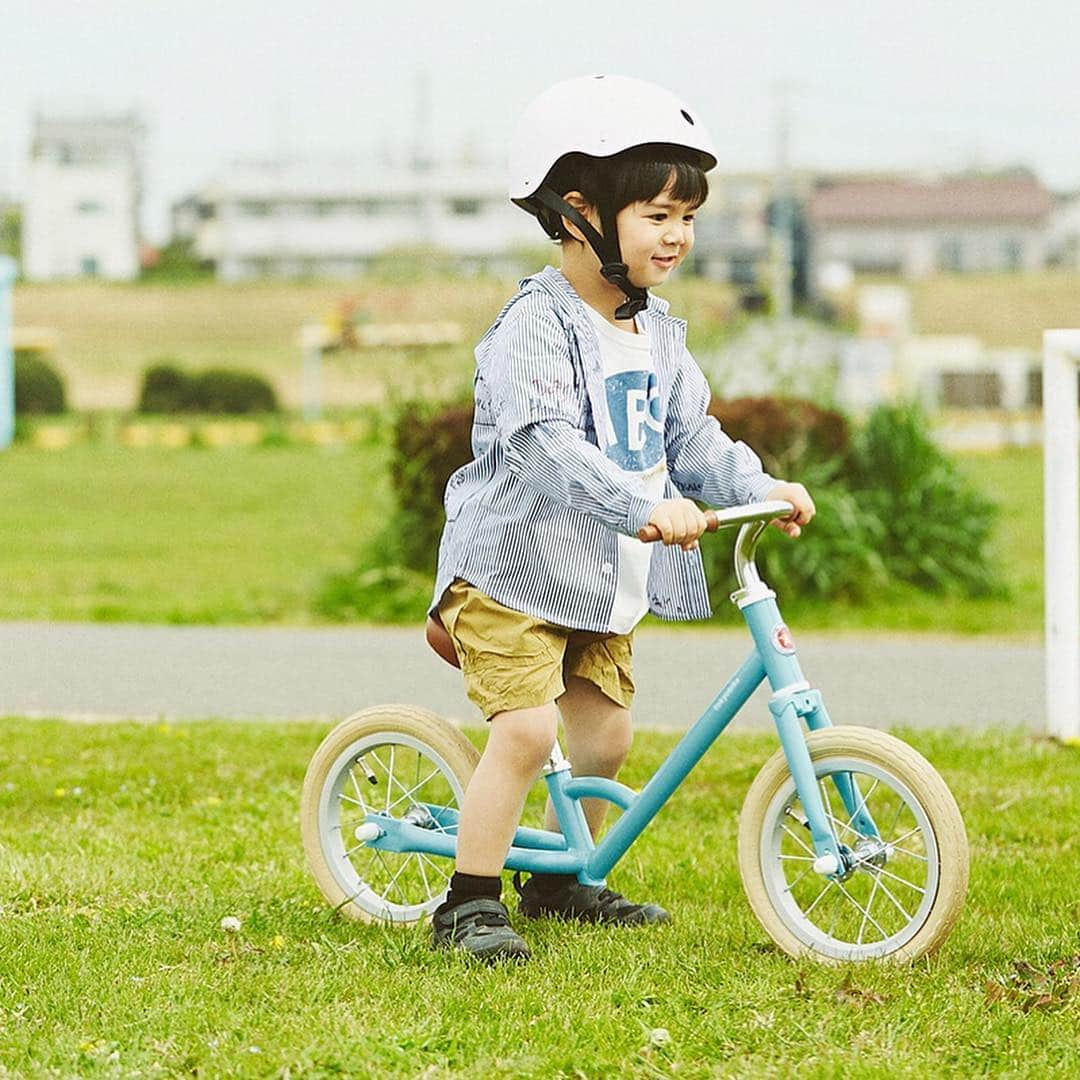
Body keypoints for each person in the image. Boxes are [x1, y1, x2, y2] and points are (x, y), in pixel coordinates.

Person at [427, 75, 815, 962]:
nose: (677, 234)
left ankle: (563, 877)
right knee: (526, 733)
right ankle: (469, 901)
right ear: (578, 214)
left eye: (687, 215)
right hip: (513, 572)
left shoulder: (659, 334)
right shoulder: (537, 324)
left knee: (605, 734)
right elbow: (543, 445)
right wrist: (642, 505)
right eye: (655, 213)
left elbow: (694, 436)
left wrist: (761, 484)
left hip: (604, 575)